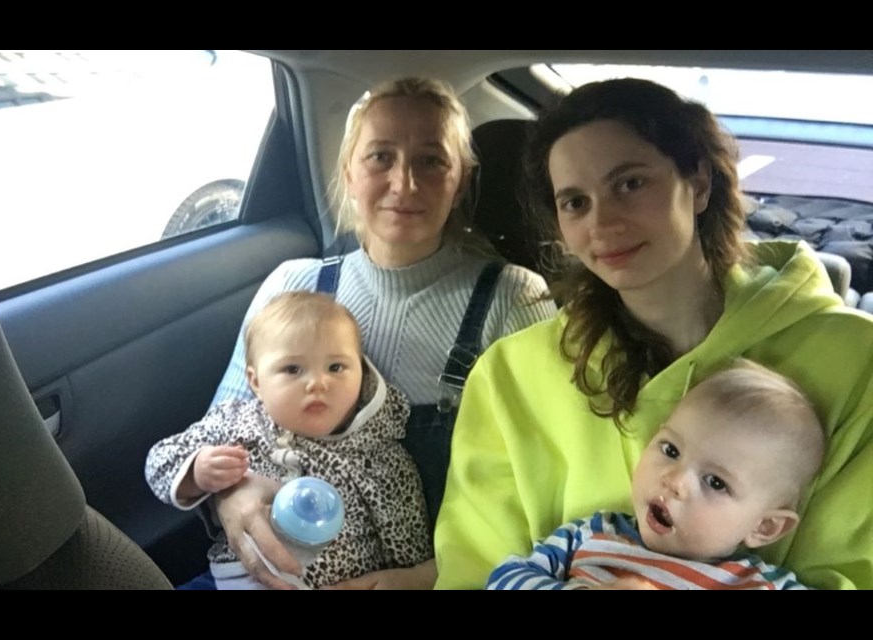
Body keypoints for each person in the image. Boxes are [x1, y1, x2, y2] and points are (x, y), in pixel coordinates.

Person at [434, 78, 873, 590]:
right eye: (575, 202)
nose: (603, 223)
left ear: (700, 183)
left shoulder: (857, 363)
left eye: (630, 184)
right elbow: (474, 570)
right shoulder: (508, 375)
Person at [187, 76, 557, 590]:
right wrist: (233, 495)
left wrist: (432, 577)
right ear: (349, 173)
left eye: (431, 161)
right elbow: (218, 433)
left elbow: (543, 483)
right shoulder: (294, 283)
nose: (404, 184)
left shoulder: (512, 297)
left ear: (462, 180)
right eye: (380, 157)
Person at [146, 291, 431, 589]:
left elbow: (406, 536)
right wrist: (196, 471)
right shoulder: (236, 421)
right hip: (235, 579)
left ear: (362, 373)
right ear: (256, 382)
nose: (318, 383)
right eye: (293, 369)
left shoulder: (379, 452)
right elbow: (159, 459)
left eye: (336, 367)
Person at [487, 361, 824, 590]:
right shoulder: (593, 533)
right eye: (670, 450)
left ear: (764, 527)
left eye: (716, 482)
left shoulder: (760, 582)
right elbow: (505, 578)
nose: (674, 480)